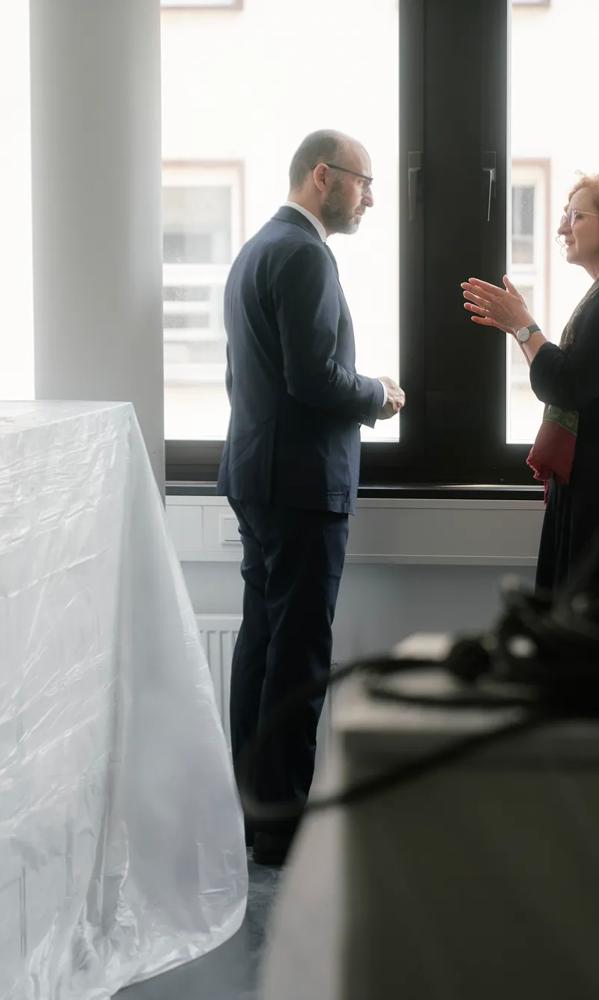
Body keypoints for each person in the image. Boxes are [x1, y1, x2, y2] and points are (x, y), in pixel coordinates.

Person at [218, 130, 404, 865]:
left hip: (260, 478)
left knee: (261, 649)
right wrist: (382, 396)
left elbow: (257, 380)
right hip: (299, 486)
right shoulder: (304, 254)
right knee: (296, 660)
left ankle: (252, 813)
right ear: (322, 176)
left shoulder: (259, 248)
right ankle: (284, 828)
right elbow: (316, 379)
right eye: (362, 181)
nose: (369, 198)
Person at [462, 173, 599, 595]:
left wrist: (524, 325)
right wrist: (520, 329)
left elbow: (566, 385)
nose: (563, 227)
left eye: (576, 216)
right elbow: (562, 378)